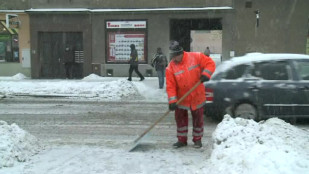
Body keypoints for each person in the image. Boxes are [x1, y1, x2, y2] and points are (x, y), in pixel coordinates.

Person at [166, 40, 216, 148]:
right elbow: (170, 86)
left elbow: (210, 63)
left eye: (176, 56)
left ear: (181, 53)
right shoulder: (170, 67)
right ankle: (182, 140)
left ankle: (197, 140)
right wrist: (172, 101)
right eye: (173, 57)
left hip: (197, 95)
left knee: (198, 119)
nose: (174, 59)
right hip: (181, 98)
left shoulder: (195, 57)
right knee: (180, 120)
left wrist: (206, 74)